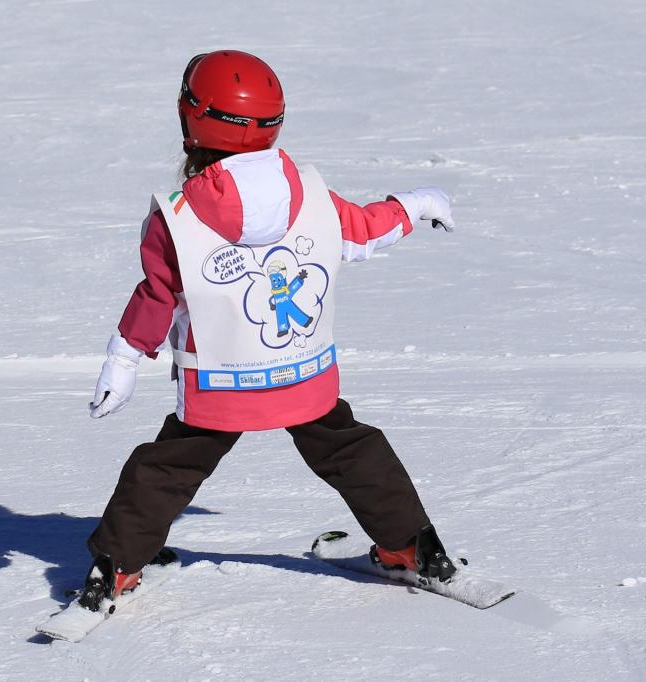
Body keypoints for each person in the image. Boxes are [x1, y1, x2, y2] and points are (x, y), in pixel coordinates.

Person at [77, 50, 457, 611]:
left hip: (220, 388)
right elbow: (362, 233)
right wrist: (415, 203)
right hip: (301, 375)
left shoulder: (175, 217)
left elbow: (158, 295)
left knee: (168, 466)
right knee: (351, 449)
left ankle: (118, 569)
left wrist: (123, 360)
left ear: (191, 119)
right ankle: (411, 547)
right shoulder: (309, 195)